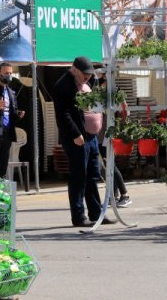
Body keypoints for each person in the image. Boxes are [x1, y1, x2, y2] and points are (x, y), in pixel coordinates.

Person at [53, 56, 116, 227]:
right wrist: (75, 134)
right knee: (79, 177)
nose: (87, 76)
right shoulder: (64, 86)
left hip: (91, 137)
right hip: (77, 138)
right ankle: (78, 216)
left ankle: (96, 213)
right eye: (84, 74)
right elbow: (63, 114)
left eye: (90, 73)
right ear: (74, 70)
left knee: (92, 175)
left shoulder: (89, 81)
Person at [95, 69, 132, 208]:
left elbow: (125, 113)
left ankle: (124, 194)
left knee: (110, 165)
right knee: (107, 165)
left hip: (108, 134)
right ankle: (113, 196)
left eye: (98, 75)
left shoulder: (114, 93)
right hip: (100, 134)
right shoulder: (98, 92)